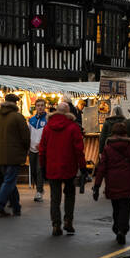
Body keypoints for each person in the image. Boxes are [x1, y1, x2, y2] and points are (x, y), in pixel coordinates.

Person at [92, 122, 130, 245]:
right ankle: (122, 230)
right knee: (125, 207)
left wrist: (97, 185)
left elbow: (102, 168)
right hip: (127, 180)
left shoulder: (108, 148)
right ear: (125, 133)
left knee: (116, 207)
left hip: (112, 181)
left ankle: (116, 227)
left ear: (113, 133)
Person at [39, 101, 85, 236]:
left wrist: (42, 166)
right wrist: (82, 167)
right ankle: (68, 222)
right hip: (69, 167)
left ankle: (56, 224)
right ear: (68, 111)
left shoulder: (48, 127)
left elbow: (42, 149)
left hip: (52, 167)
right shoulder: (73, 127)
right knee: (70, 195)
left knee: (55, 197)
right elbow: (79, 150)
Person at [0, 94, 30, 217]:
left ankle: (16, 207)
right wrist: (25, 150)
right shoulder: (18, 117)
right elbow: (25, 137)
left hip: (2, 155)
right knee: (9, 181)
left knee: (10, 181)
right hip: (14, 154)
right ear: (15, 104)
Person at [27, 98, 48, 202]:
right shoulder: (31, 120)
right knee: (34, 171)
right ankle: (39, 189)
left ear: (45, 107)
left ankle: (39, 191)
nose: (40, 107)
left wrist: (42, 145)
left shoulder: (47, 119)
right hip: (31, 149)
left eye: (42, 105)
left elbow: (49, 136)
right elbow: (28, 134)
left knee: (39, 170)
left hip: (41, 150)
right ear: (35, 107)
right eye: (38, 105)